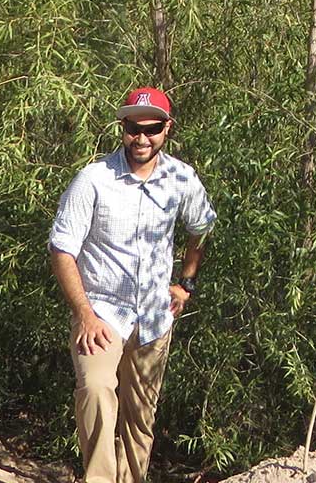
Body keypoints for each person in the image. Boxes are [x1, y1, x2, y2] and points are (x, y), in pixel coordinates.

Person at [50, 85, 216, 483]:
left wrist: (186, 284)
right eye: (132, 128)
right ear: (122, 127)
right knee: (95, 390)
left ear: (167, 128)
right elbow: (61, 249)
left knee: (140, 422)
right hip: (102, 314)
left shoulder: (181, 178)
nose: (142, 138)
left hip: (155, 318)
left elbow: (203, 226)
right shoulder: (93, 180)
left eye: (152, 128)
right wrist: (85, 315)